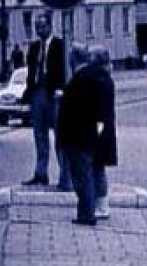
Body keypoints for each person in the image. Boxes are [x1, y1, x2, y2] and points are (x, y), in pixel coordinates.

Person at [58, 44, 118, 226]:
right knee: (94, 171)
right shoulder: (101, 78)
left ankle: (87, 212)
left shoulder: (82, 79)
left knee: (84, 174)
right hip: (94, 134)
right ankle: (94, 208)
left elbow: (79, 111)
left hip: (81, 136)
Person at [19, 15, 68, 188]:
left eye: (42, 26)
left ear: (50, 27)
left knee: (60, 135)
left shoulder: (60, 45)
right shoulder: (33, 48)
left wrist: (61, 89)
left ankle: (65, 176)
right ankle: (41, 173)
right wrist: (29, 92)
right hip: (38, 94)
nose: (40, 30)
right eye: (37, 27)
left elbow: (64, 69)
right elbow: (31, 72)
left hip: (54, 94)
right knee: (40, 136)